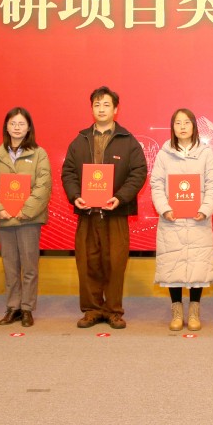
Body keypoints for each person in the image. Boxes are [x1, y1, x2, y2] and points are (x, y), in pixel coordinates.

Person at [61, 86, 148, 330]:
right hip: (87, 213)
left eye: (106, 104)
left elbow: (139, 172)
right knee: (88, 262)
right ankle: (92, 309)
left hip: (115, 213)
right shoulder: (80, 140)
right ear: (91, 109)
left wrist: (120, 197)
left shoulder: (128, 141)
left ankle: (113, 311)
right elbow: (68, 172)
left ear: (115, 109)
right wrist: (75, 196)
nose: (101, 109)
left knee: (115, 263)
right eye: (97, 104)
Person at [149, 108, 213, 331]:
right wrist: (164, 209)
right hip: (172, 220)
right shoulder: (164, 154)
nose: (182, 127)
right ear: (172, 127)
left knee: (198, 266)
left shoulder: (205, 153)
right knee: (173, 265)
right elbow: (156, 184)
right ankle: (177, 311)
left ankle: (195, 311)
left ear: (194, 127)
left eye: (186, 122)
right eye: (178, 123)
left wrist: (205, 209)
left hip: (198, 220)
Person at [0, 107, 52, 328]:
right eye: (13, 123)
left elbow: (43, 186)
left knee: (29, 266)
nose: (17, 127)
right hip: (4, 219)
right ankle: (13, 307)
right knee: (10, 265)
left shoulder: (39, 154)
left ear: (29, 127)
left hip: (28, 219)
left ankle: (27, 307)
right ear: (6, 127)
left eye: (21, 124)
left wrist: (27, 210)